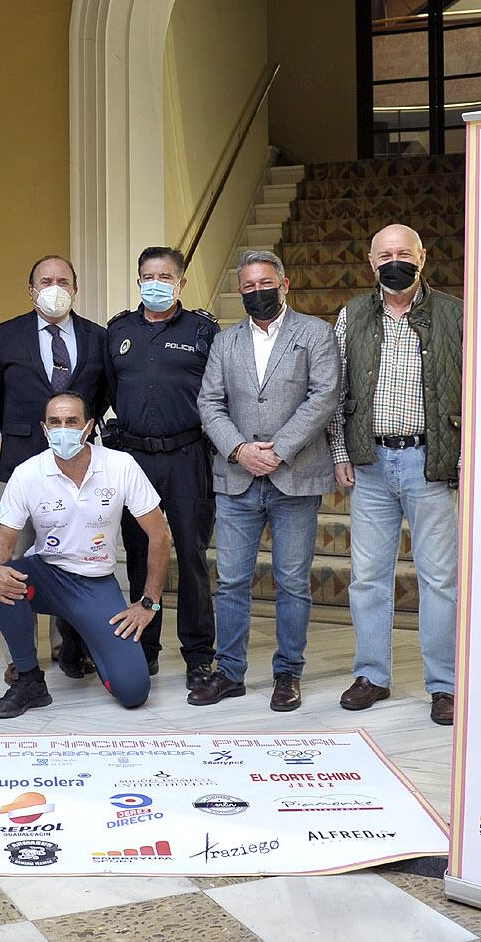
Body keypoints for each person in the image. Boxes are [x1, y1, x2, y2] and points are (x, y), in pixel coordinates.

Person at [328, 224, 463, 727]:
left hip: (430, 463)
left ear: (423, 258)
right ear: (370, 262)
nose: (394, 261)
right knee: (367, 579)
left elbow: (473, 389)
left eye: (404, 253)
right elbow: (335, 391)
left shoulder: (454, 313)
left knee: (439, 580)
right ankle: (371, 675)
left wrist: (463, 457)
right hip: (370, 465)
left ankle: (444, 686)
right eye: (385, 255)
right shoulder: (352, 315)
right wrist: (340, 451)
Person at [192, 250, 339, 712]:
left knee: (292, 581)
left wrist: (278, 450)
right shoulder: (224, 341)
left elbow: (324, 396)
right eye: (249, 286)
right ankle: (230, 672)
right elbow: (209, 403)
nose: (258, 292)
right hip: (236, 477)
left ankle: (287, 674)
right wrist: (238, 449)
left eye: (265, 283)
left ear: (285, 284)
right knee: (232, 581)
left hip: (294, 476)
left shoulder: (315, 333)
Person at [0, 392, 168, 718]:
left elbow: (160, 535)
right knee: (5, 577)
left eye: (72, 422)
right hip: (48, 575)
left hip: (96, 584)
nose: (63, 429)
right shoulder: (27, 473)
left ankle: (83, 635)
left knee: (134, 691)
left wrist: (148, 602)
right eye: (55, 422)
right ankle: (28, 681)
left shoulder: (119, 465)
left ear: (89, 427)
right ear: (44, 428)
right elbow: (2, 544)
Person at [0, 255, 108, 679]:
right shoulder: (5, 336)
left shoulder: (98, 337)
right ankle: (19, 658)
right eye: (45, 280)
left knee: (71, 555)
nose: (53, 287)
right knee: (15, 559)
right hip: (22, 463)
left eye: (62, 280)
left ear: (75, 289)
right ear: (30, 289)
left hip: (79, 469)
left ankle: (69, 648)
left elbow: (103, 395)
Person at [103, 246, 219, 688]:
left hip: (187, 456)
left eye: (165, 276)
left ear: (181, 282)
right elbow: (110, 390)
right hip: (133, 459)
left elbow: (219, 390)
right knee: (138, 555)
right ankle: (144, 648)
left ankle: (198, 654)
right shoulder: (117, 331)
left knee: (190, 554)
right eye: (148, 276)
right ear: (138, 281)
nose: (156, 283)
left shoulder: (203, 330)